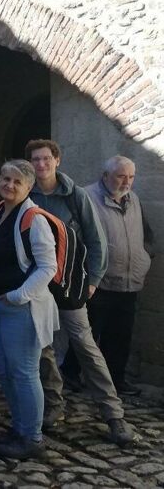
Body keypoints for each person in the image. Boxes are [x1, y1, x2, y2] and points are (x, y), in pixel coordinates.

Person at [26, 139, 134, 446]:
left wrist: (93, 280)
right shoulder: (26, 195)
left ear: (57, 160)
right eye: (36, 159)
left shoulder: (75, 196)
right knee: (44, 349)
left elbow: (96, 240)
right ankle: (54, 407)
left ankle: (114, 415)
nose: (42, 164)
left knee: (86, 347)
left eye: (46, 158)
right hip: (38, 285)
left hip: (70, 283)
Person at [0, 160, 58, 460]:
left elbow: (47, 266)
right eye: (5, 178)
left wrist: (17, 296)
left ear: (29, 187)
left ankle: (32, 438)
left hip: (21, 310)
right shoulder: (1, 211)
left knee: (24, 373)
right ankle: (20, 428)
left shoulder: (33, 219)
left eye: (16, 181)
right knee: (4, 370)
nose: (9, 185)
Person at [82, 156, 154, 396]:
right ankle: (74, 374)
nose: (127, 182)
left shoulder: (133, 199)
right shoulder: (87, 197)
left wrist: (144, 257)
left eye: (131, 177)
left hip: (129, 280)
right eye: (121, 176)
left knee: (121, 335)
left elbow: (147, 234)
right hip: (99, 281)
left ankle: (117, 380)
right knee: (89, 333)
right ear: (105, 176)